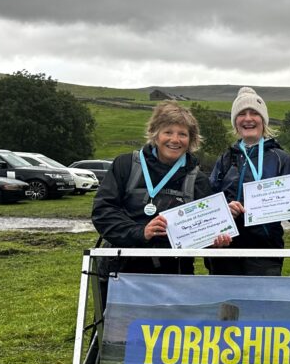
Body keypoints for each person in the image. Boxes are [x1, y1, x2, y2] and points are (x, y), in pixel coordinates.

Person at [92, 101, 230, 292]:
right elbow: (103, 212)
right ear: (155, 135)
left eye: (182, 134)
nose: (175, 139)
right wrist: (141, 232)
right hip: (121, 274)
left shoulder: (198, 180)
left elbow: (204, 232)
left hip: (175, 278)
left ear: (191, 140)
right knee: (122, 323)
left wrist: (215, 242)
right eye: (168, 132)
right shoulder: (125, 165)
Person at [206, 87, 290, 276]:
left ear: (263, 120)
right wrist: (226, 210)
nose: (248, 118)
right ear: (235, 122)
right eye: (241, 114)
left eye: (254, 113)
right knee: (228, 305)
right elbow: (209, 203)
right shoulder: (224, 159)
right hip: (225, 249)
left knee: (261, 305)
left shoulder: (282, 158)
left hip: (265, 250)